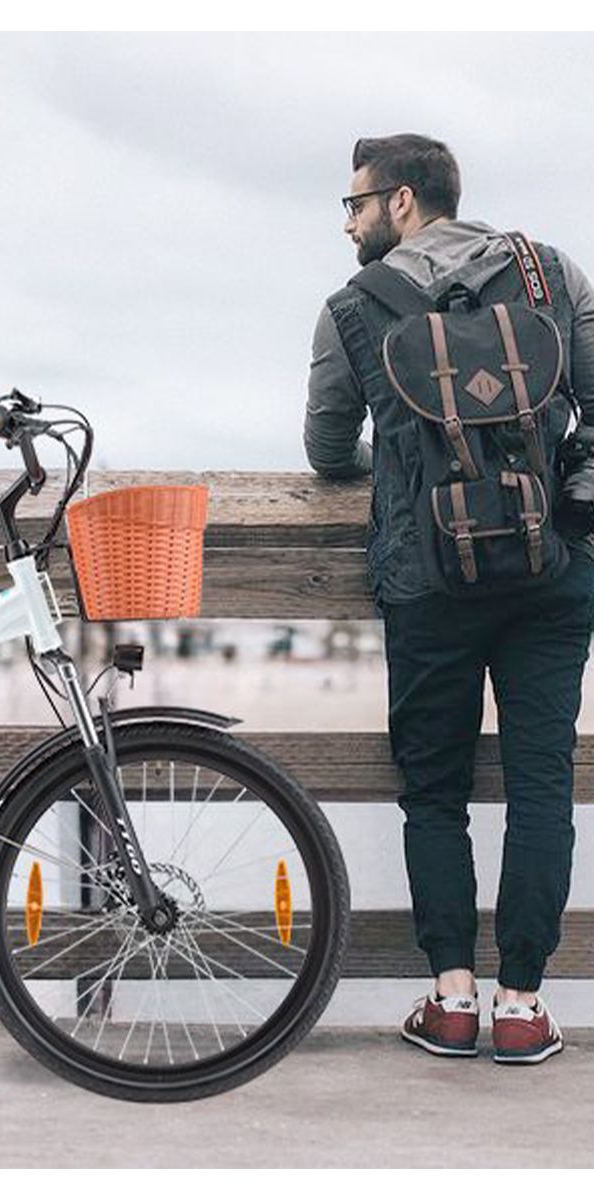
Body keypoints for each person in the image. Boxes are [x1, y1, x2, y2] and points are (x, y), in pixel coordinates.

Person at [304, 133, 594, 1064]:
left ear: (401, 201)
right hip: (549, 569)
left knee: (434, 792)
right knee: (542, 783)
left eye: (355, 204)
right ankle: (523, 1006)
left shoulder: (354, 306)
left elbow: (325, 450)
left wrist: (401, 465)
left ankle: (453, 999)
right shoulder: (550, 275)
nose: (348, 223)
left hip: (426, 578)